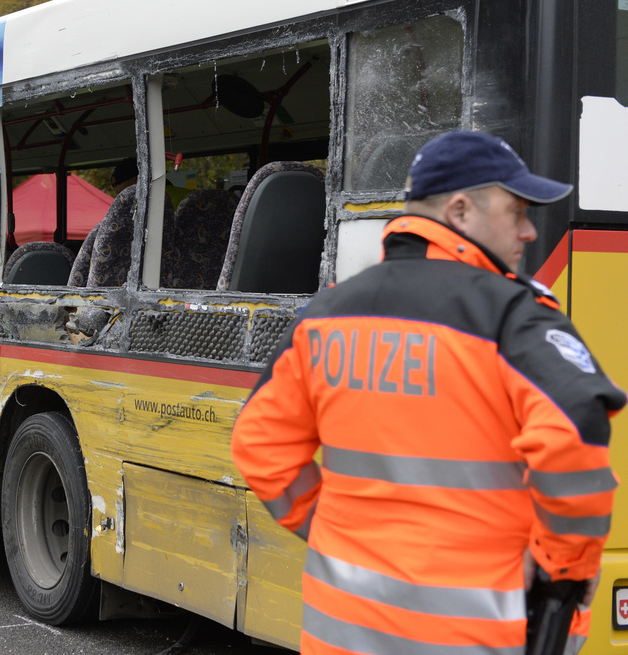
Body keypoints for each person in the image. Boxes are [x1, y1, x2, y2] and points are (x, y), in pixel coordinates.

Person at [231, 130, 626, 654]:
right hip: (476, 637)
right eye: (517, 211)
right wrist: (562, 570)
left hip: (342, 631)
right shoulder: (512, 317)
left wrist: (332, 528)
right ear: (461, 210)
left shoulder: (326, 315)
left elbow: (259, 446)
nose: (530, 231)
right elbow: (573, 444)